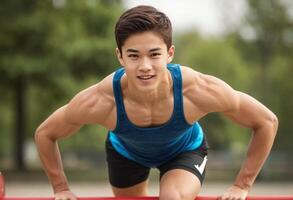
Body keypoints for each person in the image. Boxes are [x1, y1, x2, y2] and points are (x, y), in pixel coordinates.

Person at [35, 5, 278, 200]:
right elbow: (45, 133)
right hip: (125, 153)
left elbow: (266, 121)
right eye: (133, 55)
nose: (145, 67)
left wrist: (241, 186)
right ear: (119, 56)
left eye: (154, 54)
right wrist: (61, 189)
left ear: (170, 53)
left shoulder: (197, 90)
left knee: (172, 196)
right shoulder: (101, 100)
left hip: (184, 150)